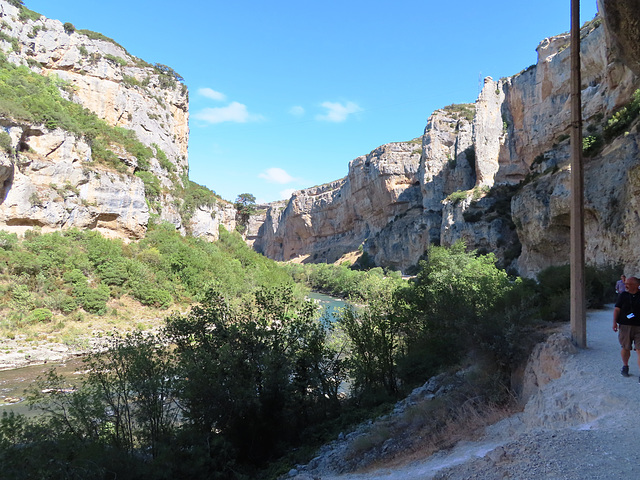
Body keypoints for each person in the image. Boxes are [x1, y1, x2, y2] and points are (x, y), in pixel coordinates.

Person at [613, 276, 640, 379]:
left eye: (629, 284)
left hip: (639, 326)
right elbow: (617, 309)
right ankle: (625, 366)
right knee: (625, 348)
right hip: (625, 326)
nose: (626, 285)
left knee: (639, 350)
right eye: (626, 284)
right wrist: (614, 322)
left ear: (637, 285)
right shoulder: (623, 295)